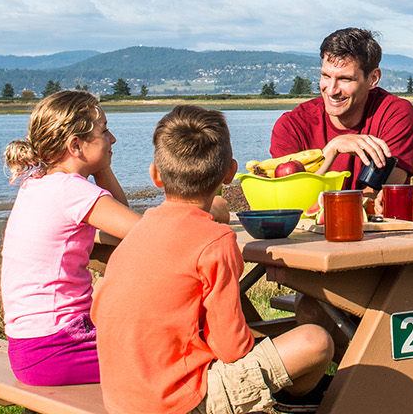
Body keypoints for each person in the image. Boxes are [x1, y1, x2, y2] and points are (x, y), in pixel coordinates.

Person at [96, 105, 335, 414]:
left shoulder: (138, 231)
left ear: (155, 174)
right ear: (231, 172)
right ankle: (291, 401)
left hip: (119, 397)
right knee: (315, 340)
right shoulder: (215, 240)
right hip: (178, 402)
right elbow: (231, 348)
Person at [0, 90, 142, 386]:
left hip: (31, 346)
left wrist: (102, 168)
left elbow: (119, 218)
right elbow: (147, 235)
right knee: (173, 352)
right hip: (59, 347)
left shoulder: (37, 183)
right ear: (75, 145)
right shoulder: (71, 191)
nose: (112, 139)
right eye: (104, 131)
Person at [270, 27, 413, 190]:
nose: (332, 90)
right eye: (326, 76)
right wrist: (333, 149)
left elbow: (382, 195)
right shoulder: (291, 125)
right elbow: (291, 196)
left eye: (345, 79)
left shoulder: (394, 113)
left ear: (373, 79)